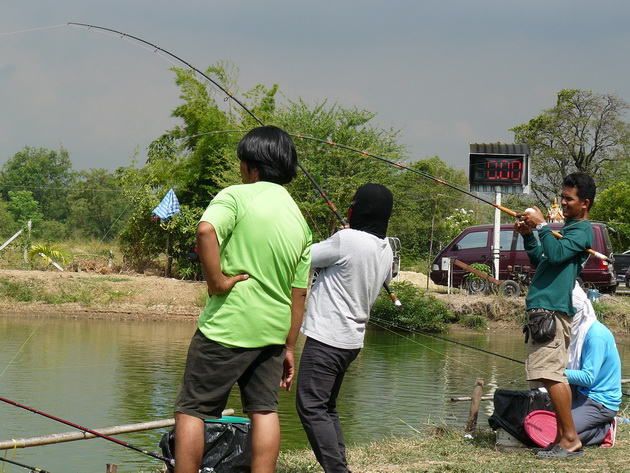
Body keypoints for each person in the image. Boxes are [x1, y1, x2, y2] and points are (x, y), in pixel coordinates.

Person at [173, 126, 312, 473]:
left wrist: (217, 281)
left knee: (193, 409)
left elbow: (206, 230)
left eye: (241, 162)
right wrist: (290, 347)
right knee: (264, 410)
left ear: (253, 166)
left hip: (228, 326)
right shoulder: (299, 220)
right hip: (273, 334)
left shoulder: (236, 195)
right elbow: (299, 293)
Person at [296, 183, 394, 473]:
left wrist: (339, 235)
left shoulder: (347, 240)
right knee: (326, 406)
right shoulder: (385, 248)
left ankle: (337, 470)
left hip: (327, 338)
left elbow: (304, 258)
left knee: (311, 406)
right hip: (351, 341)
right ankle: (339, 466)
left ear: (359, 210)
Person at [515, 171, 596, 459]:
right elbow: (544, 259)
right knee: (547, 374)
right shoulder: (565, 229)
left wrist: (543, 225)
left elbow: (559, 253)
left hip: (552, 309)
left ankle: (570, 440)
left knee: (551, 375)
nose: (563, 202)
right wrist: (529, 236)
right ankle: (563, 439)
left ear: (584, 203)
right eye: (562, 196)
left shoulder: (582, 231)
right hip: (542, 308)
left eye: (569, 199)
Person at [566, 283, 621, 447]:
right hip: (580, 393)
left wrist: (557, 372)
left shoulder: (595, 336)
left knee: (562, 432)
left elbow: (588, 377)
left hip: (600, 401)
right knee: (545, 422)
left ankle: (604, 430)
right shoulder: (579, 331)